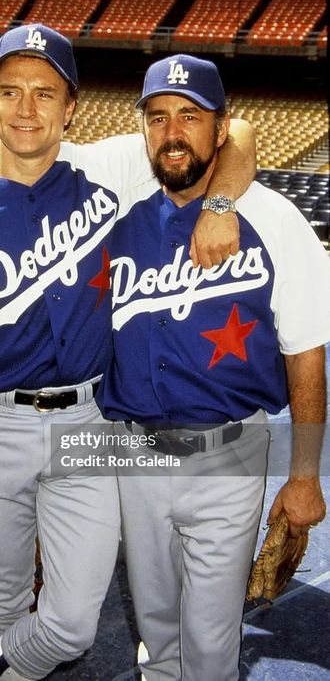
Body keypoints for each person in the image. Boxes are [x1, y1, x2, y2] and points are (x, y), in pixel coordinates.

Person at [0, 27, 256, 681]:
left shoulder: (108, 166)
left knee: (71, 622)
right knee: (2, 600)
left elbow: (239, 133)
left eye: (44, 93)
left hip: (87, 425)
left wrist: (220, 204)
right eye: (11, 92)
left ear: (70, 107)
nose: (26, 109)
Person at [98, 54, 330, 681]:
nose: (173, 132)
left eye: (191, 117)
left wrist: (305, 475)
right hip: (133, 455)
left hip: (231, 452)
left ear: (221, 128)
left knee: (209, 646)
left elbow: (306, 353)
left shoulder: (276, 221)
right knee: (159, 633)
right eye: (159, 117)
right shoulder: (114, 217)